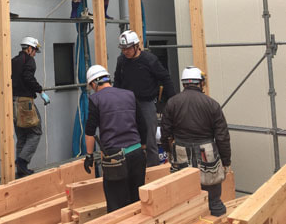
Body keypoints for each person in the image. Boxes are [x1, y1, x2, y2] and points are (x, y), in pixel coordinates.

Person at [160, 66, 231, 217]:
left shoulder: (172, 103)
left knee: (184, 193)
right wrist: (226, 161)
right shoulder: (211, 104)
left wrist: (168, 150)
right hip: (206, 151)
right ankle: (215, 213)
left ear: (184, 83)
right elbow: (222, 136)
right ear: (201, 83)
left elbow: (165, 132)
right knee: (214, 201)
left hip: (181, 150)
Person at [83, 64, 147, 212]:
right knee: (137, 202)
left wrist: (89, 155)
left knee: (117, 205)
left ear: (93, 84)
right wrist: (143, 148)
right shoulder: (129, 94)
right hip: (136, 153)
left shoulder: (95, 99)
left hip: (115, 159)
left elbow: (90, 131)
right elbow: (142, 124)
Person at [114, 30, 176, 167]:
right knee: (128, 139)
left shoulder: (149, 60)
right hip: (127, 104)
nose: (125, 51)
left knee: (149, 140)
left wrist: (172, 100)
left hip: (146, 103)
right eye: (123, 49)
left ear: (136, 46)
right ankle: (133, 169)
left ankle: (153, 170)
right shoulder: (121, 61)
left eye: (128, 48)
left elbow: (165, 77)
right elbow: (117, 81)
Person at [11, 37, 50, 178]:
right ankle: (22, 162)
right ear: (29, 48)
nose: (34, 54)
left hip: (13, 101)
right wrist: (40, 91)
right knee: (35, 131)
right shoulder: (28, 60)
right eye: (34, 51)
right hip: (25, 102)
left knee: (22, 136)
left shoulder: (14, 61)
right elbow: (28, 78)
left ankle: (21, 170)